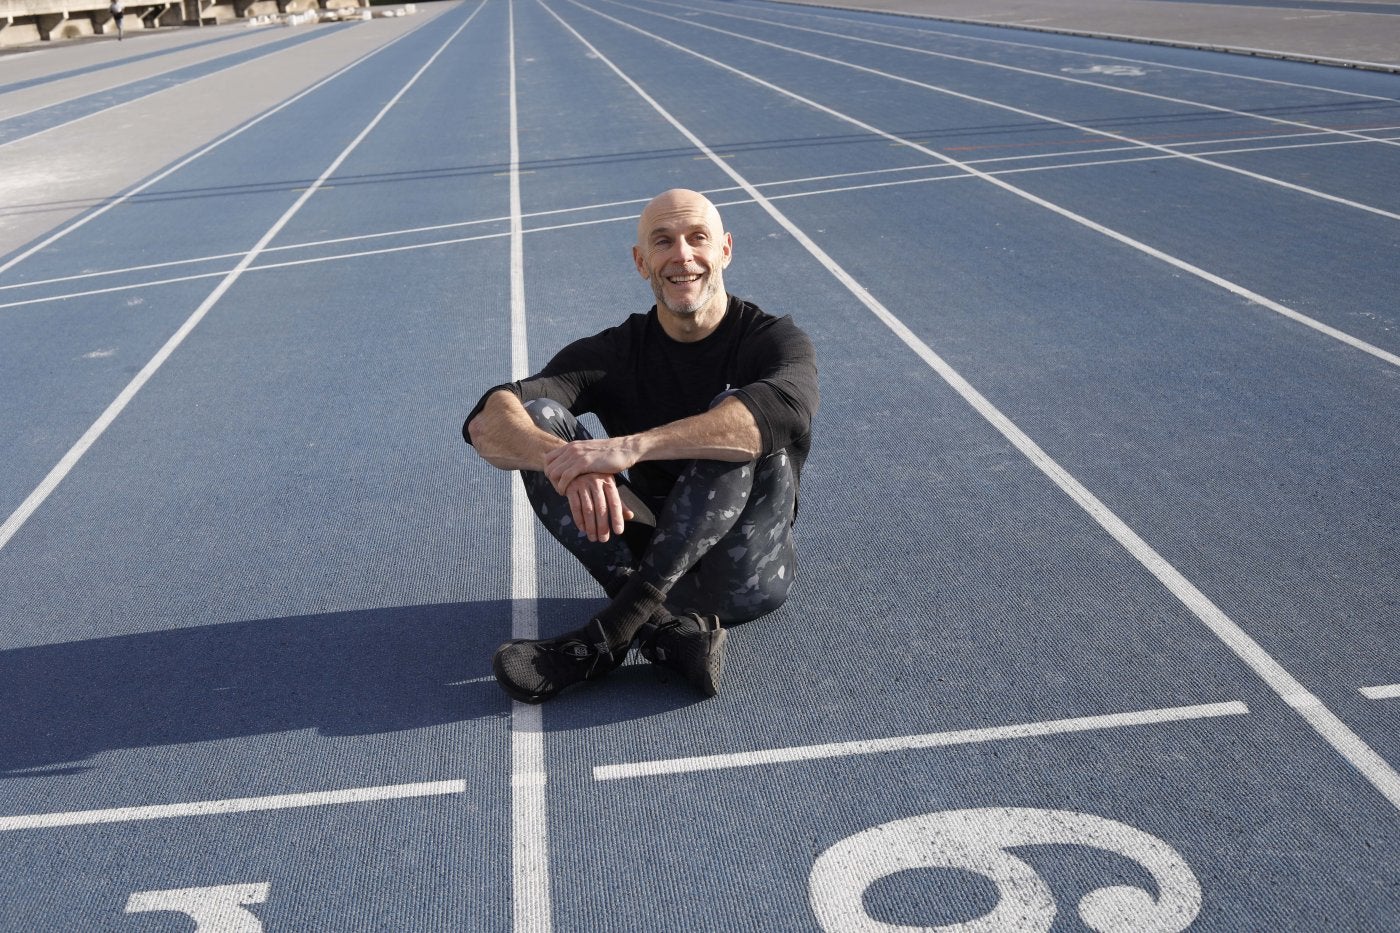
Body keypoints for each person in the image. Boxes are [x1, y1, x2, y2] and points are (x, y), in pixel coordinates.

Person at [463, 188, 818, 704]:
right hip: (654, 558)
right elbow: (487, 421)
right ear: (641, 261)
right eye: (663, 242)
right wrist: (566, 461)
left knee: (736, 416)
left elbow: (781, 411)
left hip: (743, 576)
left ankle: (607, 636)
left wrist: (628, 449)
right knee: (537, 421)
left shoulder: (774, 341)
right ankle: (660, 632)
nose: (682, 256)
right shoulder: (615, 351)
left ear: (725, 250)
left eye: (698, 238)